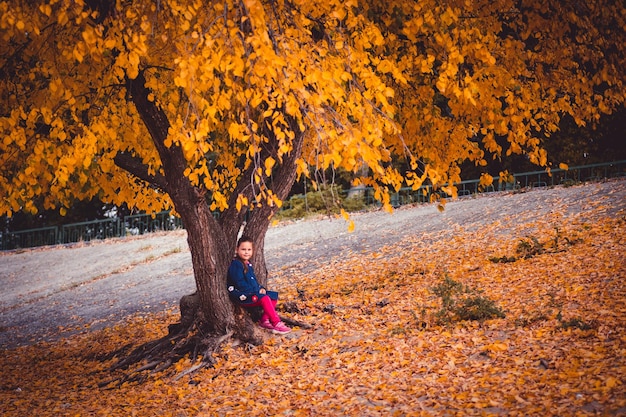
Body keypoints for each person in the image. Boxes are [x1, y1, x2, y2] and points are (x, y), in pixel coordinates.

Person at [227, 235, 291, 334]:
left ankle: (264, 320)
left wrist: (260, 288)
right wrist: (256, 292)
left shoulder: (248, 264)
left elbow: (253, 281)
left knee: (273, 296)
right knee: (264, 298)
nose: (246, 252)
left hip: (252, 293)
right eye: (243, 249)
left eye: (249, 249)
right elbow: (240, 283)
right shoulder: (236, 264)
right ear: (237, 250)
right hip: (242, 296)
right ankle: (276, 323)